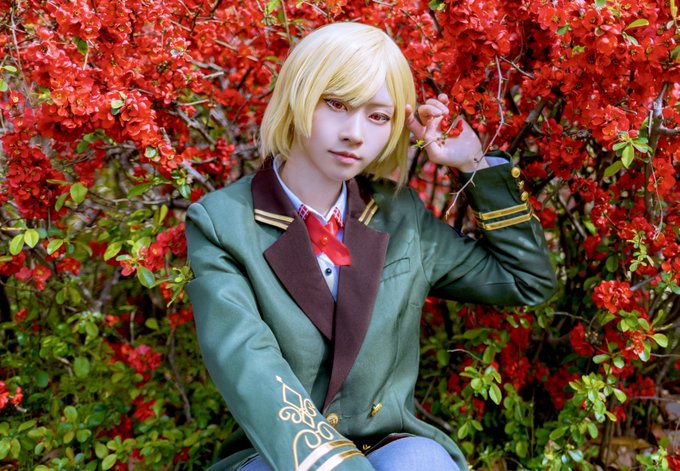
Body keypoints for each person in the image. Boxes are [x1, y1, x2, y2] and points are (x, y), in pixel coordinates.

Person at [185, 22, 556, 471]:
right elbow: (251, 367)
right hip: (280, 455)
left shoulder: (399, 215)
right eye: (336, 104)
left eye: (378, 116)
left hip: (389, 447)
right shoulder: (223, 223)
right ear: (298, 95)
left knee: (422, 462)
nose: (355, 133)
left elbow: (526, 280)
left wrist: (473, 165)